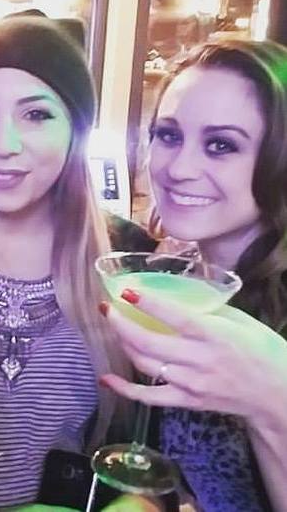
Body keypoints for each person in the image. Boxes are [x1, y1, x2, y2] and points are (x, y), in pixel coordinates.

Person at [0, 13, 157, 510]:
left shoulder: (131, 264)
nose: (3, 145)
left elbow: (153, 454)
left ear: (76, 130)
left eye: (37, 115)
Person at [99, 39, 287, 511]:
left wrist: (272, 401)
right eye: (168, 135)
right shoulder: (178, 272)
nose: (180, 168)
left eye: (221, 145)